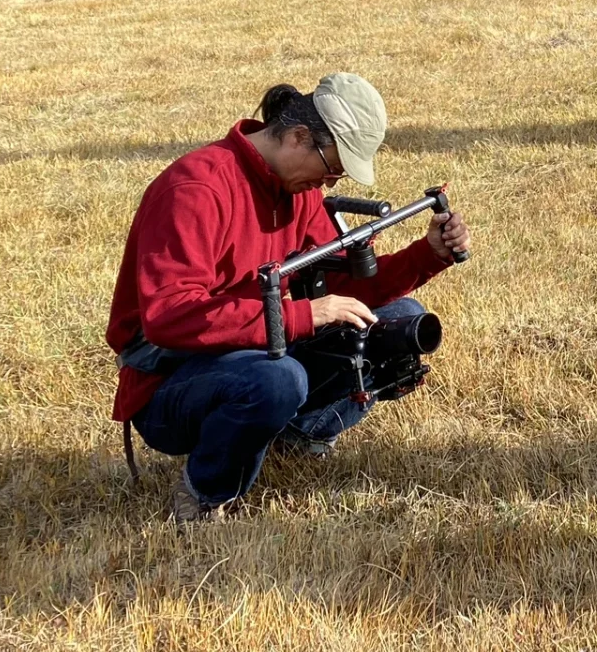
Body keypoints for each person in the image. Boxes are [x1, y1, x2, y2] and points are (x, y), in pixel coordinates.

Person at [106, 74, 473, 521]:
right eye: (332, 167)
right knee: (277, 379)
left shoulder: (298, 193)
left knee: (397, 324)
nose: (330, 182)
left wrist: (427, 255)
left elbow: (348, 289)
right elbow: (170, 317)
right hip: (169, 379)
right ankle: (205, 494)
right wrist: (302, 315)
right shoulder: (196, 188)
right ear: (300, 137)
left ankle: (300, 433)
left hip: (254, 350)